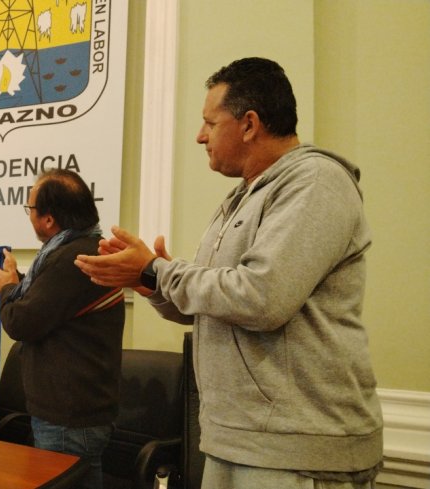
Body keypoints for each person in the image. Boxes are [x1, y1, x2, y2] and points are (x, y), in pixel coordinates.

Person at [74, 57, 383, 488]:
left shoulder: (315, 182)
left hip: (295, 450)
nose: (200, 136)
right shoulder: (240, 199)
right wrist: (149, 281)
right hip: (235, 439)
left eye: (210, 123)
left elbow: (261, 298)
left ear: (249, 124)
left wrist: (157, 270)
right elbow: (216, 306)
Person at [0, 169, 125, 489]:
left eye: (30, 208)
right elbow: (47, 302)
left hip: (67, 419)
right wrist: (15, 284)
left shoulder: (73, 258)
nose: (29, 215)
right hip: (76, 414)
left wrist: (7, 289)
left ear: (48, 219)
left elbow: (21, 323)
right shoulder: (83, 247)